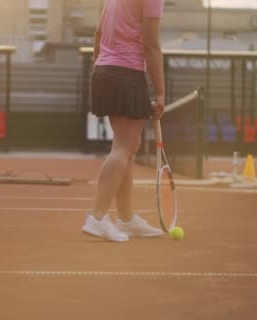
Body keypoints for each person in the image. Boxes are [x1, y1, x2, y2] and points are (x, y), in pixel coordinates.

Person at [81, 0, 165, 242]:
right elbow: (151, 45)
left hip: (105, 70)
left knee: (128, 147)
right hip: (126, 73)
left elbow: (98, 33)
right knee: (124, 148)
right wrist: (160, 92)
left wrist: (104, 67)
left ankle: (126, 219)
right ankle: (97, 217)